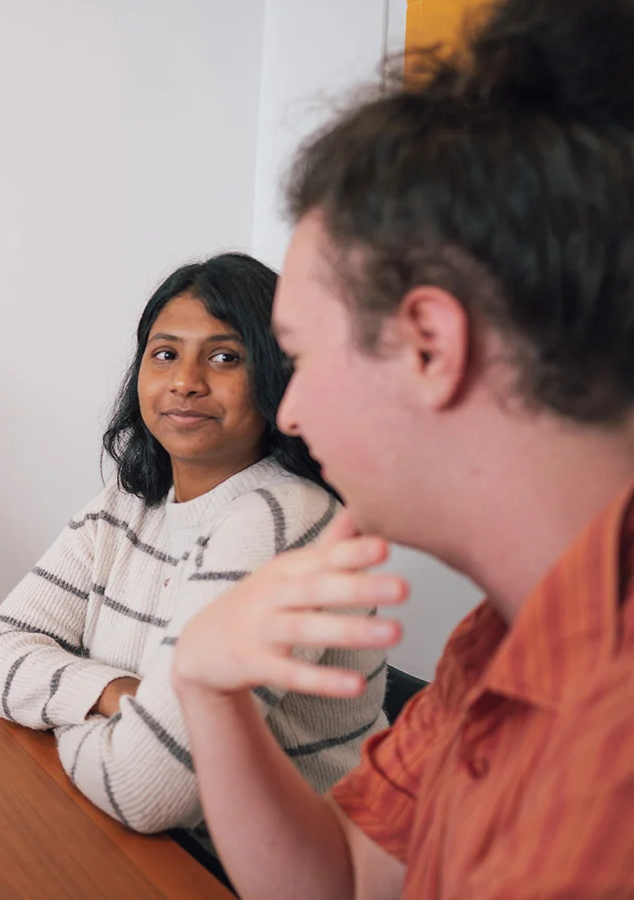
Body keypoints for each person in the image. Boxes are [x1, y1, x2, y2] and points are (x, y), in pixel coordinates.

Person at [169, 0, 634, 895]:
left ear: (429, 345)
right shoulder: (496, 638)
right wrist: (208, 692)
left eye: (301, 356)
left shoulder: (611, 753)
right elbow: (347, 879)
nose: (290, 412)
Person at [0, 253, 384, 833]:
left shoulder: (282, 518)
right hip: (159, 846)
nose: (186, 382)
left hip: (288, 863)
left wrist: (67, 712)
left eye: (225, 357)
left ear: (276, 375)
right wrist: (115, 694)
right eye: (165, 354)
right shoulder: (127, 504)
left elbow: (145, 793)